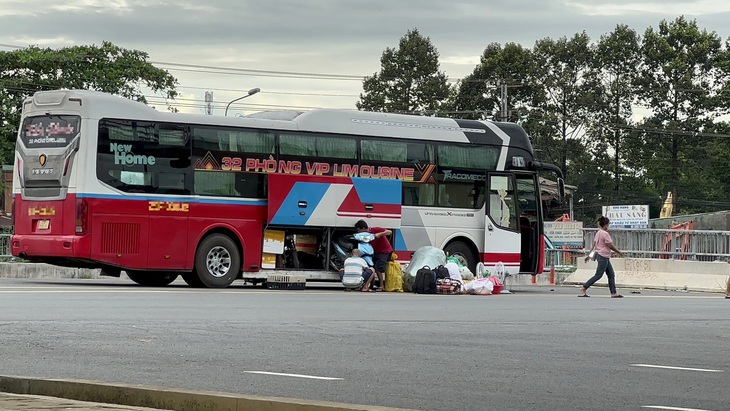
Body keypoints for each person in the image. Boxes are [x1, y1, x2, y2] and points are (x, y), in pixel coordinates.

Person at [579, 216, 625, 298]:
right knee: (598, 275)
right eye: (608, 224)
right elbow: (609, 245)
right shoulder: (605, 234)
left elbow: (594, 245)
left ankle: (613, 293)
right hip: (603, 256)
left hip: (603, 256)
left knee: (611, 274)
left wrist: (589, 255)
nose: (608, 226)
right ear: (606, 225)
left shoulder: (598, 233)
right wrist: (619, 252)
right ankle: (584, 287)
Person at [355, 220, 392, 292]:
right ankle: (368, 285)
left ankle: (381, 286)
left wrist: (380, 234)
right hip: (374, 252)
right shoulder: (362, 236)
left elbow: (390, 232)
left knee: (378, 268)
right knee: (371, 267)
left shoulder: (375, 230)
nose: (358, 232)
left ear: (363, 228)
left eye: (359, 230)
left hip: (384, 251)